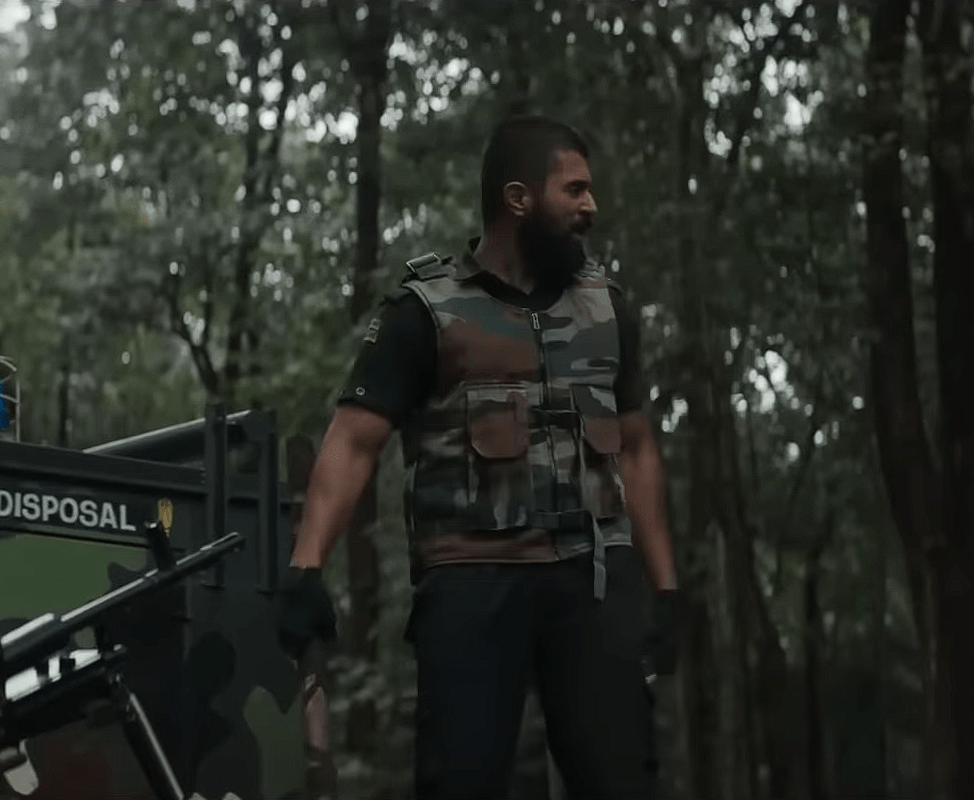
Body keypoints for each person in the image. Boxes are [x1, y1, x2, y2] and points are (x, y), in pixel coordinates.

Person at [275, 114, 682, 800]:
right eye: (574, 190)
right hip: (470, 581)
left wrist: (664, 589)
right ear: (518, 198)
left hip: (593, 581)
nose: (590, 207)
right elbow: (353, 441)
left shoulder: (609, 309)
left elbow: (637, 450)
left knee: (623, 780)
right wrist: (307, 567)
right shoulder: (425, 311)